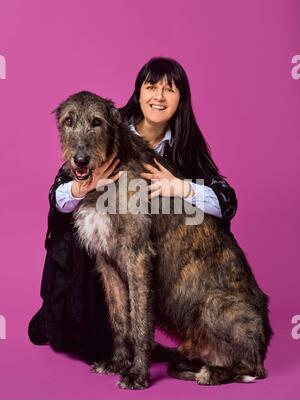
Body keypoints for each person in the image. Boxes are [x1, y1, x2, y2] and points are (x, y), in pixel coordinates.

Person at [28, 57, 237, 362]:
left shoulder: (185, 146)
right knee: (87, 238)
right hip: (100, 251)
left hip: (150, 249)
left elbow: (226, 202)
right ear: (138, 92)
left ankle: (148, 346)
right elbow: (56, 195)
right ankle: (74, 321)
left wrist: (182, 188)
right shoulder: (109, 123)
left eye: (170, 89)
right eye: (151, 86)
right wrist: (82, 187)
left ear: (182, 99)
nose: (159, 96)